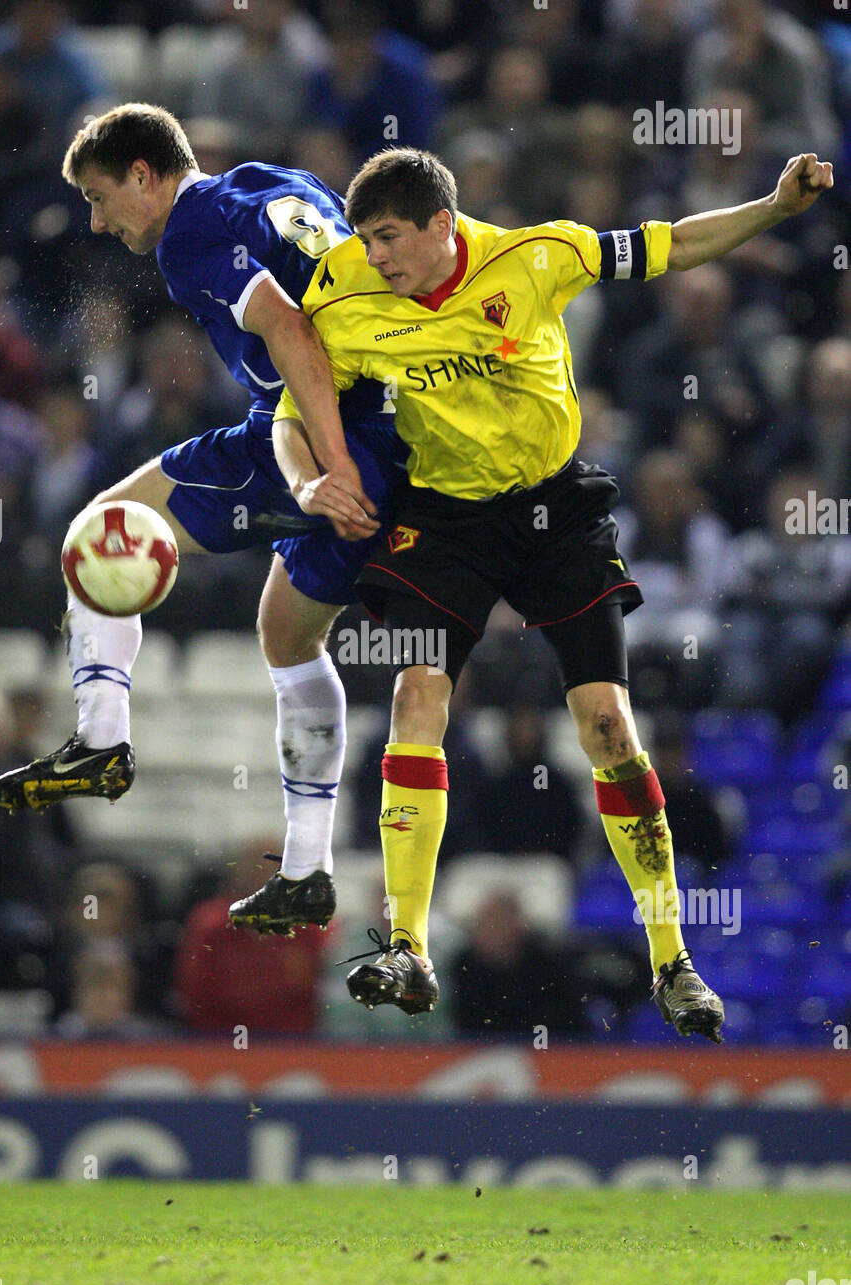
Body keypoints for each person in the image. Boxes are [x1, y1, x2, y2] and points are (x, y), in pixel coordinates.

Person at [271, 144, 833, 1040]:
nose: (374, 257)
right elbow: (292, 410)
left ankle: (672, 962)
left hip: (553, 510)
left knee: (607, 724)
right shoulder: (340, 290)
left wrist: (770, 207)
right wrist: (307, 483)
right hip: (445, 518)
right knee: (417, 694)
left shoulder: (538, 257)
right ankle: (407, 944)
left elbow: (673, 246)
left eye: (387, 238)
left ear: (441, 226)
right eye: (366, 240)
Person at [0, 103, 409, 938]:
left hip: (323, 433)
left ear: (146, 175)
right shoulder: (276, 181)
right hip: (390, 421)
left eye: (103, 200)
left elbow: (289, 330)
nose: (99, 225)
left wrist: (332, 464)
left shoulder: (189, 234)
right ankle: (308, 869)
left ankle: (102, 740)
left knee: (101, 529)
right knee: (288, 637)